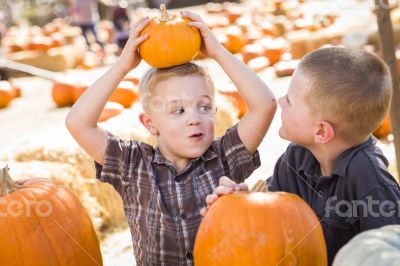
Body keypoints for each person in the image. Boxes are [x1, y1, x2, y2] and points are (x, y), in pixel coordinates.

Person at [65, 11, 277, 265]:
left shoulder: (224, 157)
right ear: (150, 123)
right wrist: (123, 66)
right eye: (178, 110)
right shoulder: (133, 165)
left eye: (204, 106)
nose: (194, 118)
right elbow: (78, 123)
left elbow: (265, 105)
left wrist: (219, 52)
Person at [204, 47, 400, 265]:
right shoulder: (296, 158)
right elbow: (270, 217)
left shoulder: (371, 180)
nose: (280, 101)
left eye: (289, 100)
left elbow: (388, 251)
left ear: (321, 131)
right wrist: (240, 203)